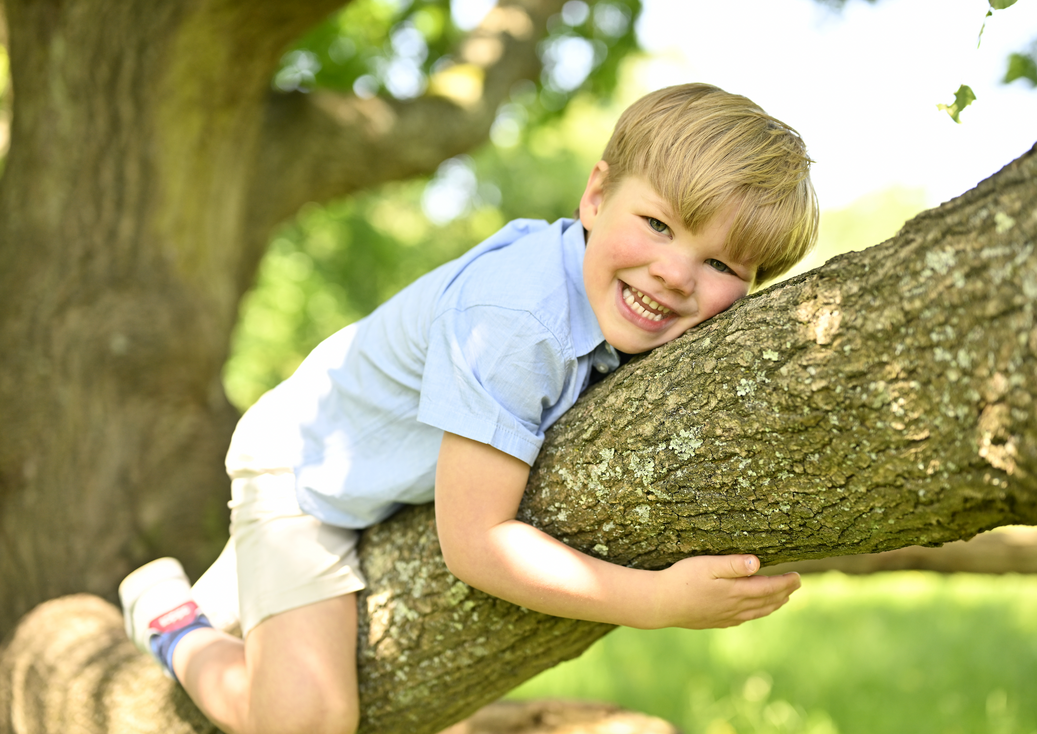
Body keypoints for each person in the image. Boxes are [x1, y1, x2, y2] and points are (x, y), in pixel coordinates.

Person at [119, 83, 818, 734]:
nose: (675, 273)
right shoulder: (518, 320)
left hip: (388, 472)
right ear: (597, 196)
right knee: (306, 720)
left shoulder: (619, 301)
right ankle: (170, 619)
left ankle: (229, 593)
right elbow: (475, 544)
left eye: (723, 266)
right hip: (305, 473)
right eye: (659, 224)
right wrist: (655, 602)